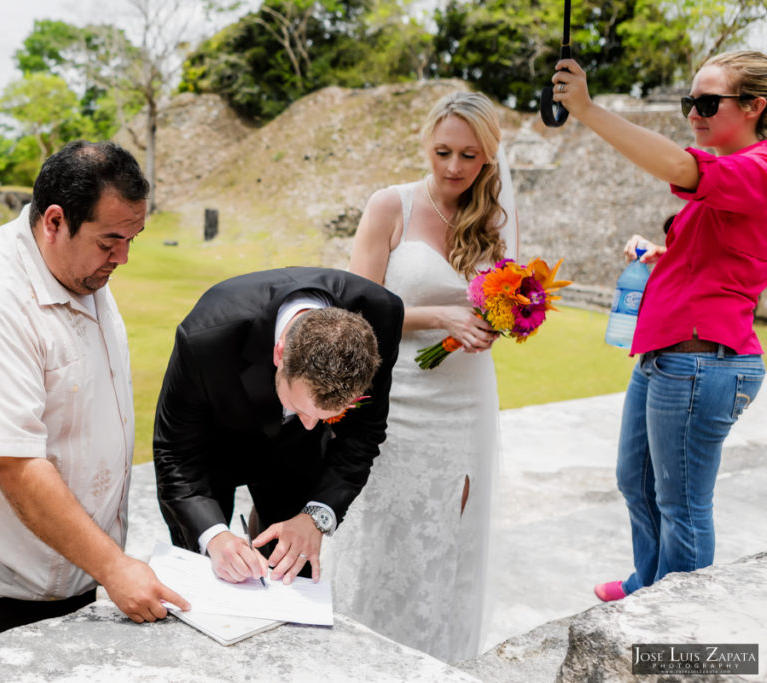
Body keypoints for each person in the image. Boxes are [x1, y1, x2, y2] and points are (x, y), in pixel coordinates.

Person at [0, 140, 189, 648]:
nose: (123, 258)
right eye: (109, 242)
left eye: (133, 238)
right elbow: (10, 463)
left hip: (73, 564)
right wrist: (113, 566)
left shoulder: (76, 268)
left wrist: (101, 565)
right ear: (54, 222)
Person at [549, 51, 767, 601]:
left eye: (708, 102)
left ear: (754, 107)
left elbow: (678, 167)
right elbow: (723, 259)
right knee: (636, 482)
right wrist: (662, 253)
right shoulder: (736, 177)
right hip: (673, 355)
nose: (694, 112)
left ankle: (680, 636)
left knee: (683, 506)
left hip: (703, 360)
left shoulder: (759, 167)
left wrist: (588, 109)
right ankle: (648, 586)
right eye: (689, 100)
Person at [328, 91, 519, 661]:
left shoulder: (493, 219)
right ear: (426, 144)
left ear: (488, 157)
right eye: (443, 152)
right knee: (383, 528)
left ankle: (434, 654)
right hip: (397, 395)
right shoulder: (391, 206)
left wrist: (505, 318)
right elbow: (353, 314)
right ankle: (363, 654)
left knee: (448, 535)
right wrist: (438, 316)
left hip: (465, 399)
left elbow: (501, 300)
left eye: (470, 155)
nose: (455, 167)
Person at [152, 267, 403, 587]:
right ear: (280, 352)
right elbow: (175, 452)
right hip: (213, 448)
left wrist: (316, 516)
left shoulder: (382, 314)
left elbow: (363, 436)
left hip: (297, 457)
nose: (314, 426)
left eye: (328, 417)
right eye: (301, 409)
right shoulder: (206, 335)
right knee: (207, 578)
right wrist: (215, 537)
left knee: (293, 577)